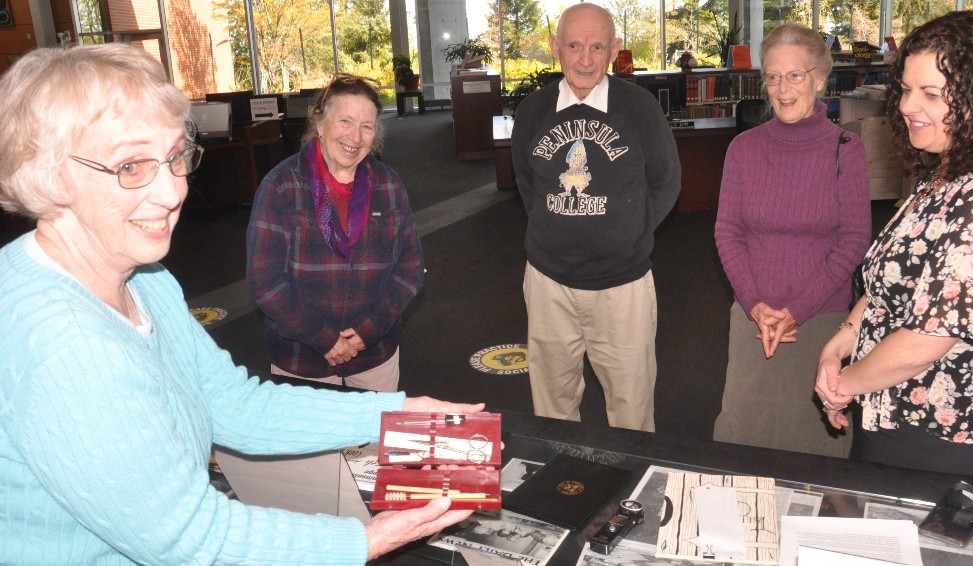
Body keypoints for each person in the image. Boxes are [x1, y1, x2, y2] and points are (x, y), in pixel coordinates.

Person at [0, 43, 477, 564]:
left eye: (175, 157)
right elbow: (190, 539)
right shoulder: (64, 345)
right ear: (47, 175)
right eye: (131, 165)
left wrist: (401, 411)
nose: (171, 192)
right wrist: (368, 540)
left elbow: (234, 406)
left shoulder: (148, 278)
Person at [815, 11, 973, 476]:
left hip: (935, 427)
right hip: (889, 404)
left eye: (932, 93)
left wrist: (843, 384)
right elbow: (891, 276)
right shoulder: (947, 170)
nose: (906, 105)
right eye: (906, 88)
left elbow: (926, 340)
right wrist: (843, 339)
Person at [511, 2, 681, 432]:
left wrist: (628, 232)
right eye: (574, 45)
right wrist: (561, 226)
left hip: (622, 287)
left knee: (631, 405)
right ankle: (558, 483)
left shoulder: (639, 108)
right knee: (553, 402)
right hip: (548, 282)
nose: (585, 58)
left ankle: (629, 490)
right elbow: (527, 185)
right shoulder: (533, 111)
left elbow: (667, 182)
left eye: (596, 46)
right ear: (556, 48)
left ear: (614, 50)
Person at [712, 22, 871, 457]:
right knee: (742, 439)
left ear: (820, 79)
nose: (783, 89)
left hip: (820, 324)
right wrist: (755, 305)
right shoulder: (743, 149)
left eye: (795, 76)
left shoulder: (845, 149)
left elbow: (854, 241)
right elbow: (728, 232)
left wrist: (796, 312)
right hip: (753, 319)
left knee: (815, 449)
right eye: (773, 77)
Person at [246, 73, 423, 392]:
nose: (355, 137)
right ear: (320, 123)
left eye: (367, 126)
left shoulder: (389, 185)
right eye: (345, 121)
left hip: (374, 354)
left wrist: (370, 329)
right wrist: (324, 338)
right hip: (302, 359)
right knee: (312, 444)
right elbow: (265, 281)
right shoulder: (282, 187)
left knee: (371, 441)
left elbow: (409, 270)